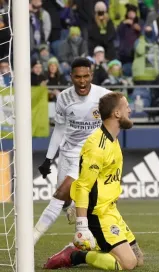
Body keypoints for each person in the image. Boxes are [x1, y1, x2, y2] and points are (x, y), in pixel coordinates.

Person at [43, 92, 144, 270]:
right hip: (98, 214)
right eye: (126, 106)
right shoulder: (97, 146)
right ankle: (75, 255)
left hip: (110, 210)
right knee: (128, 264)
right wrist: (82, 225)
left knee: (138, 259)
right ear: (117, 113)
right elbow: (83, 185)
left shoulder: (113, 138)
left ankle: (98, 245)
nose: (130, 109)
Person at [34, 58, 111, 245]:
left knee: (58, 197)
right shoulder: (64, 98)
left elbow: (122, 108)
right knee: (66, 204)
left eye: (86, 76)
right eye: (78, 77)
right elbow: (59, 130)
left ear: (91, 75)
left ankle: (30, 239)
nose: (82, 81)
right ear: (71, 77)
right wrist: (48, 159)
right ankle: (81, 241)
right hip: (67, 155)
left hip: (88, 156)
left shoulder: (104, 96)